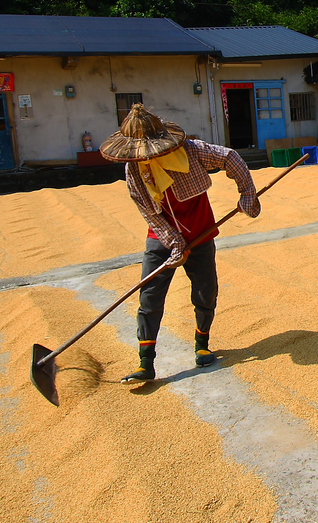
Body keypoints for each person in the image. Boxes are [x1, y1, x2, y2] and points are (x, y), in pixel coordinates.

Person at [99, 103, 259, 383]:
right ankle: (145, 363)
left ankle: (202, 345)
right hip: (161, 237)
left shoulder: (192, 151)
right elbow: (149, 211)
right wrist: (173, 243)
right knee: (149, 296)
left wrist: (247, 193)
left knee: (205, 291)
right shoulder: (134, 171)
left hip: (200, 232)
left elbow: (231, 157)